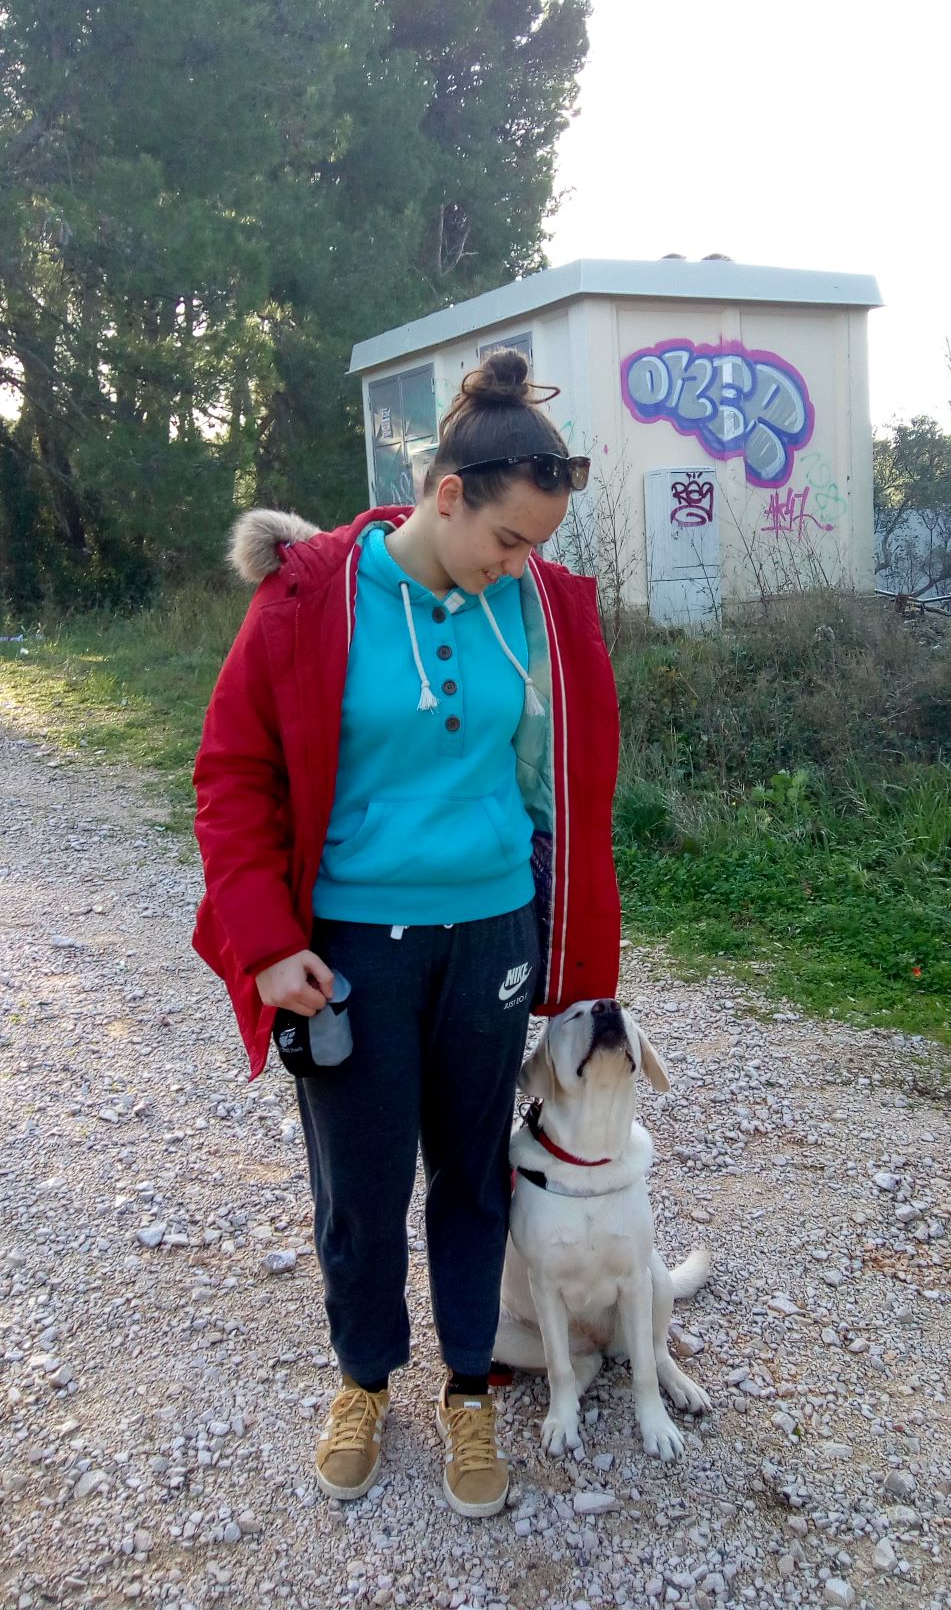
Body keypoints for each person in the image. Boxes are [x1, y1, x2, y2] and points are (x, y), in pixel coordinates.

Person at [191, 349, 621, 1518]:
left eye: (537, 547)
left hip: (493, 932)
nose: (521, 565)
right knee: (362, 1186)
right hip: (353, 948)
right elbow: (232, 777)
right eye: (509, 539)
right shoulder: (309, 599)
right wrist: (267, 944)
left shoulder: (536, 608)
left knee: (475, 1177)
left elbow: (568, 782)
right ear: (446, 494)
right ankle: (365, 1380)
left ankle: (469, 1387)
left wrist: (566, 932)